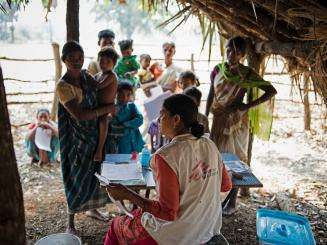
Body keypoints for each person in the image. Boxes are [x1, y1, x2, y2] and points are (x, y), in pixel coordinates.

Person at [104, 94, 230, 245]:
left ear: (176, 120)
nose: (158, 120)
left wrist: (127, 194)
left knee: (115, 226)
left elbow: (167, 212)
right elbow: (225, 185)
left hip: (176, 234)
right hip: (206, 228)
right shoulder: (210, 145)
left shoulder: (166, 156)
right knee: (137, 215)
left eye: (162, 114)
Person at [205, 36, 277, 215]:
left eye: (237, 52)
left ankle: (232, 201)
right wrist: (205, 117)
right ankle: (213, 199)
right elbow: (210, 94)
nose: (231, 54)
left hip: (236, 122)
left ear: (243, 55)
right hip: (218, 119)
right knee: (215, 158)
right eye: (229, 50)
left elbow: (271, 91)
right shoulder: (218, 69)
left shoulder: (246, 73)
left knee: (236, 161)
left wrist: (247, 106)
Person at [55, 41, 116, 234]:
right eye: (72, 59)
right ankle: (70, 222)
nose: (77, 62)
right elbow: (79, 115)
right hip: (75, 140)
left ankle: (93, 209)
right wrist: (107, 109)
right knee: (74, 176)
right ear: (64, 60)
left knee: (93, 174)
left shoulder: (84, 76)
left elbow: (99, 87)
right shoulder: (63, 86)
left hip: (93, 135)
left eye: (80, 58)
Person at [93, 47, 119, 162]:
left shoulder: (111, 76)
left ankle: (99, 149)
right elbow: (94, 82)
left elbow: (98, 86)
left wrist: (88, 80)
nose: (104, 64)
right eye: (101, 61)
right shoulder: (98, 75)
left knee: (103, 121)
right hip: (98, 106)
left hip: (107, 107)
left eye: (108, 62)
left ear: (114, 64)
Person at [108, 82, 145, 154]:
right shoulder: (112, 109)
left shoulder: (132, 106)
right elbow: (114, 129)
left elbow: (140, 120)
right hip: (122, 148)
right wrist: (132, 124)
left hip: (136, 145)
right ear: (116, 94)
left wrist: (125, 124)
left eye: (128, 95)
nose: (125, 98)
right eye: (121, 95)